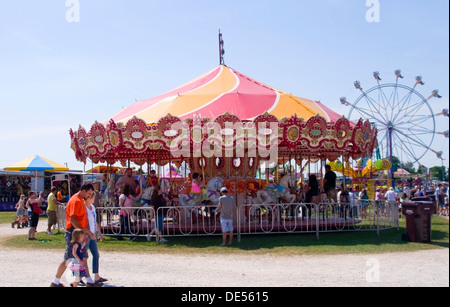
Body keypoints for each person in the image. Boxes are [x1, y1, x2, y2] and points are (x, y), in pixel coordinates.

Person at [50, 183, 101, 287]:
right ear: (83, 191)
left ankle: (90, 281)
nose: (89, 196)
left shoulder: (80, 200)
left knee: (83, 257)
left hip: (78, 232)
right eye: (89, 193)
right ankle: (55, 282)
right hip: (73, 232)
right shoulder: (75, 200)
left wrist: (86, 233)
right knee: (68, 257)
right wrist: (81, 233)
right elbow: (73, 219)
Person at [84, 190, 108, 284]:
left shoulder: (92, 207)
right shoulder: (84, 208)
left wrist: (99, 233)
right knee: (83, 257)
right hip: (86, 234)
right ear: (89, 198)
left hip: (93, 234)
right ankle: (80, 277)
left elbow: (95, 221)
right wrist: (88, 232)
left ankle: (96, 276)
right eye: (93, 197)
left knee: (96, 255)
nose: (95, 199)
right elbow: (84, 223)